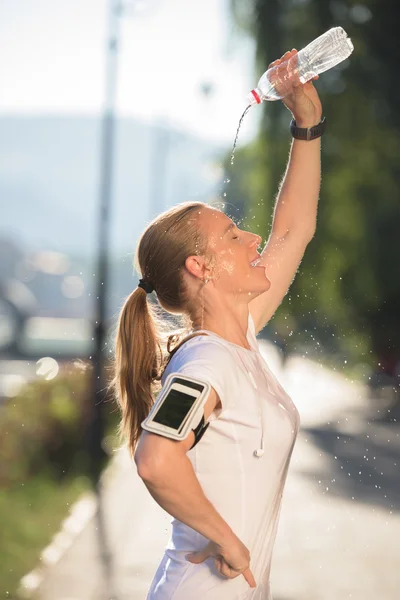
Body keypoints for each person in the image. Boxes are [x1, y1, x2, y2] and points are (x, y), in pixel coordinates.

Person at [112, 49, 323, 599]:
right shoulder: (206, 362)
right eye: (233, 236)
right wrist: (226, 538)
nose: (252, 240)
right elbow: (157, 461)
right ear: (200, 267)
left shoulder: (239, 337)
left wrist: (307, 125)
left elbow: (293, 231)